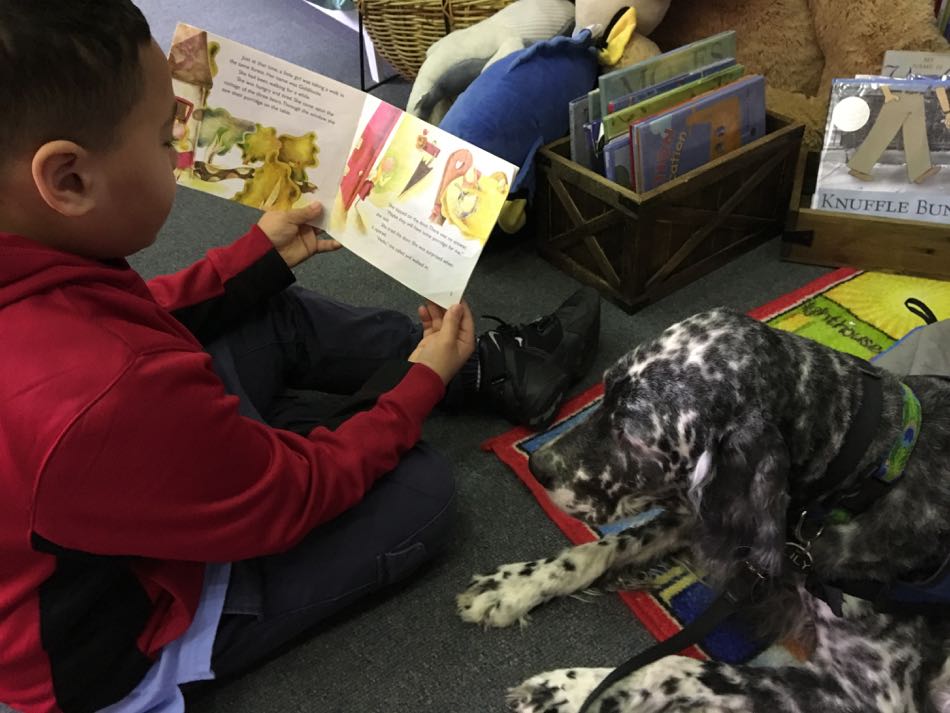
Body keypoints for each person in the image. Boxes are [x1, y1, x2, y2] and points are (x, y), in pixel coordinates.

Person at [0, 2, 600, 711]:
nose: (184, 146)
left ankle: (478, 366)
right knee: (421, 496)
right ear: (67, 180)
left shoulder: (41, 271)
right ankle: (427, 380)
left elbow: (138, 314)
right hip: (118, 631)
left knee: (268, 308)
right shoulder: (102, 390)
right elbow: (293, 495)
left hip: (110, 482)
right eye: (167, 139)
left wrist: (255, 258)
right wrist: (417, 390)